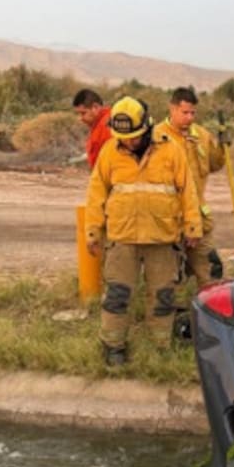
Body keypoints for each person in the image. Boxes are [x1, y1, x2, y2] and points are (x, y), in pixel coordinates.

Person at [85, 97, 202, 367]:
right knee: (117, 296)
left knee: (162, 296)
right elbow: (96, 193)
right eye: (124, 138)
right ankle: (113, 346)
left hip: (161, 238)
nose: (129, 142)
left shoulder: (170, 150)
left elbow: (188, 191)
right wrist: (92, 231)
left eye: (134, 137)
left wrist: (192, 226)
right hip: (122, 239)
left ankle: (160, 345)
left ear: (147, 126)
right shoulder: (110, 151)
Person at [156, 86, 227, 298]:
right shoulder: (157, 137)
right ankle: (173, 318)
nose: (189, 117)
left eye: (192, 113)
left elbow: (214, 165)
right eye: (184, 112)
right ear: (172, 109)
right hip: (170, 219)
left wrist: (222, 148)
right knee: (171, 274)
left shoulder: (201, 135)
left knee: (211, 269)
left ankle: (213, 314)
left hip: (199, 218)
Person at [73, 89, 111, 170]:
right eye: (78, 114)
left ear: (95, 107)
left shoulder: (106, 126)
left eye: (83, 113)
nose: (80, 118)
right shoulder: (99, 125)